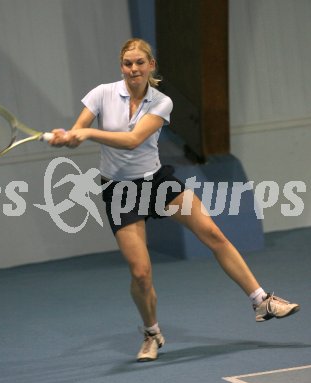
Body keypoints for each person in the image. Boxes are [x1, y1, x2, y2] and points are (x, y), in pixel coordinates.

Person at [49, 38, 300, 362]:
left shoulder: (161, 102)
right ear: (121, 65)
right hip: (119, 191)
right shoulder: (101, 94)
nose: (133, 69)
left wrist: (87, 134)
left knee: (213, 234)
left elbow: (133, 140)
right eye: (128, 63)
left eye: (140, 62)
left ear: (151, 65)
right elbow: (77, 132)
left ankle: (261, 300)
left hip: (157, 183)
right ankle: (151, 332)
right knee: (140, 273)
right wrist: (66, 138)